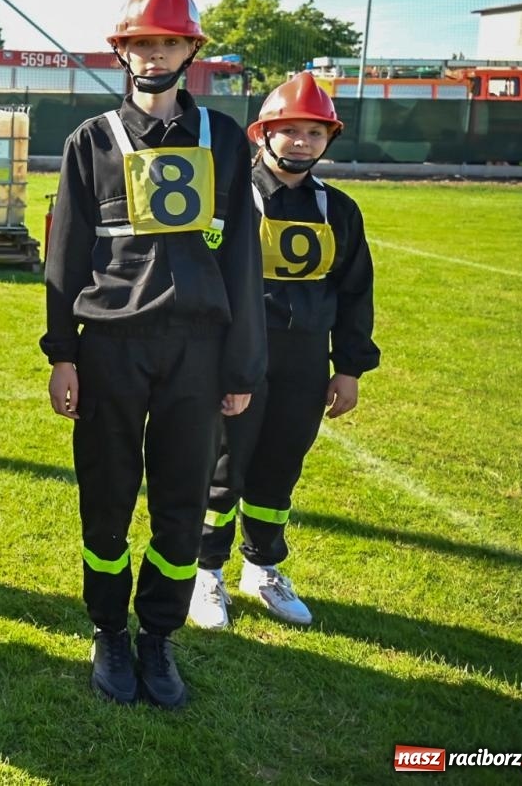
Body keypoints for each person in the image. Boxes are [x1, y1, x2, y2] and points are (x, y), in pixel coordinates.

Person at [41, 0, 265, 710]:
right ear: (122, 52)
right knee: (107, 495)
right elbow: (66, 257)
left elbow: (241, 261)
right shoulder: (90, 140)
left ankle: (159, 637)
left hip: (197, 351)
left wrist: (241, 365)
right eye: (141, 43)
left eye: (168, 42)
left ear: (190, 49)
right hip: (111, 345)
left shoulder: (226, 140)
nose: (153, 55)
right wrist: (62, 353)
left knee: (179, 500)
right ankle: (109, 629)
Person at [189, 72, 379, 630]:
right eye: (289, 130)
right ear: (262, 134)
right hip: (241, 352)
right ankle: (207, 570)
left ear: (329, 140)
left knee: (280, 464)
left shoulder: (338, 209)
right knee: (226, 463)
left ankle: (263, 565)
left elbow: (354, 291)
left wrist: (348, 368)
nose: (301, 142)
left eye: (314, 133)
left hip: (304, 356)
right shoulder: (229, 197)